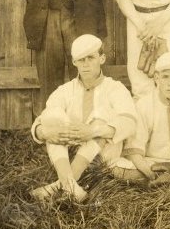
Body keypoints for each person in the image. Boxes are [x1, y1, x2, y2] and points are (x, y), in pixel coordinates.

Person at [30, 35, 137, 202]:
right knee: (53, 116)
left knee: (101, 116)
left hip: (102, 156)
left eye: (91, 58)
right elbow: (41, 122)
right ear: (74, 62)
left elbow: (130, 123)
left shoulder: (115, 88)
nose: (86, 64)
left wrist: (93, 130)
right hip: (68, 153)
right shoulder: (65, 90)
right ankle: (71, 186)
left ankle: (60, 185)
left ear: (102, 58)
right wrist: (46, 132)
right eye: (81, 60)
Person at [113, 52, 170, 187]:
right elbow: (134, 149)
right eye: (165, 77)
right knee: (117, 168)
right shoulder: (144, 104)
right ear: (156, 78)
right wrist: (150, 174)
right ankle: (160, 181)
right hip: (153, 163)